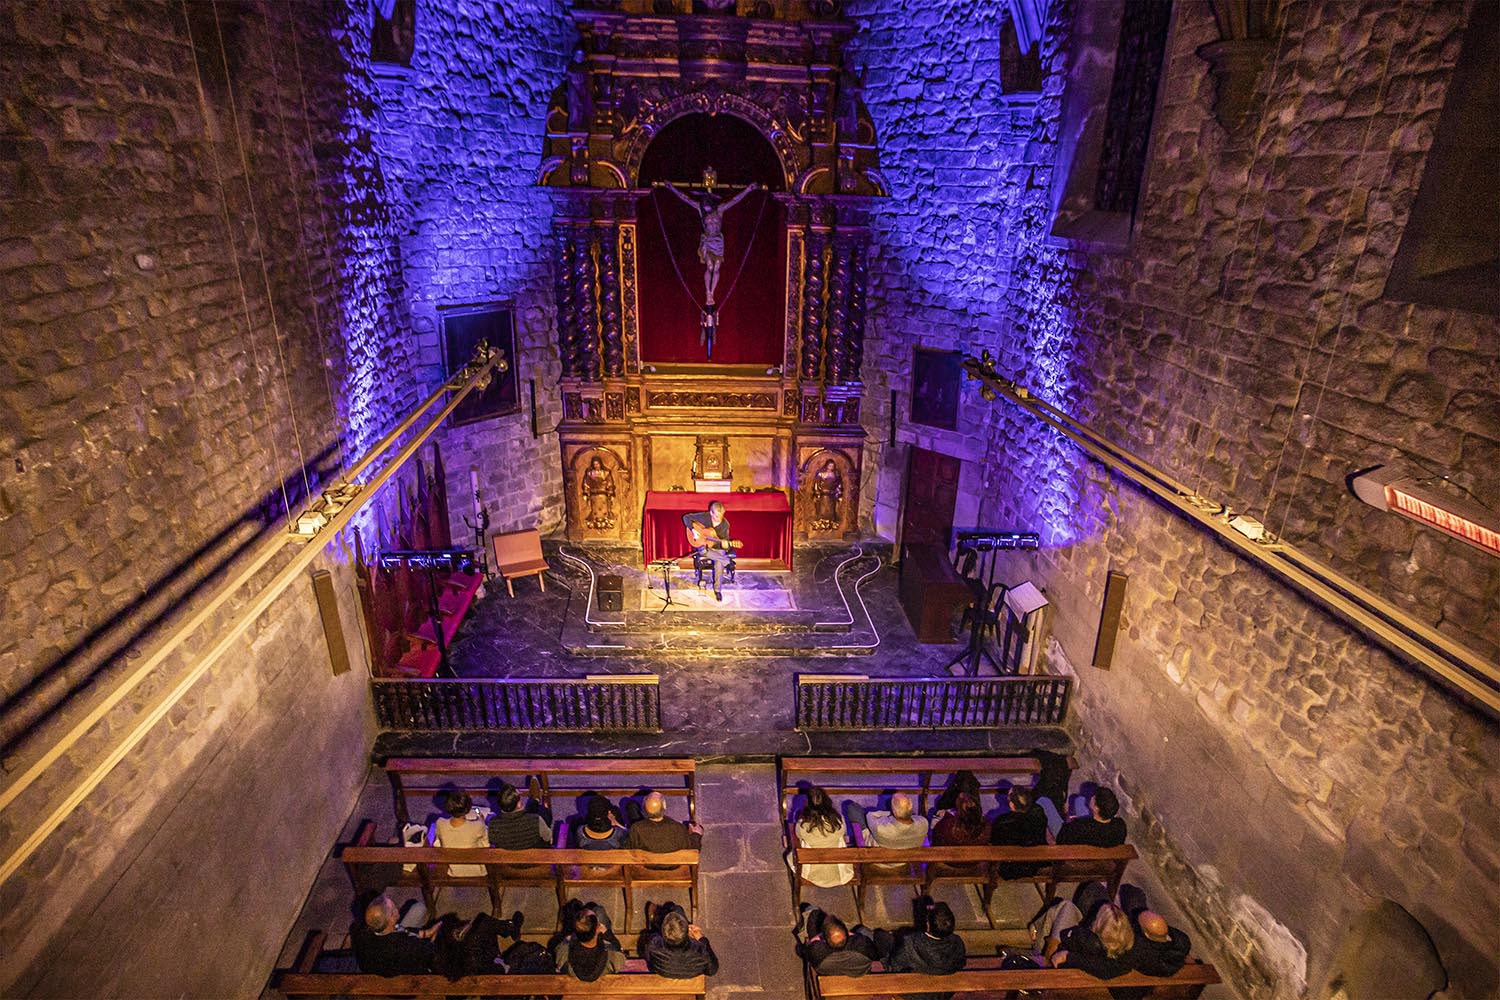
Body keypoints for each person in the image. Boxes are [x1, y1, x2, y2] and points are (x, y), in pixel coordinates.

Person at [661, 167, 761, 307]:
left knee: (717, 267)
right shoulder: (701, 210)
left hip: (718, 241)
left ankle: (712, 292)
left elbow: (735, 199)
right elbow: (685, 198)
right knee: (709, 266)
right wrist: (672, 188)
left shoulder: (720, 210)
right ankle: (708, 293)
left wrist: (748, 189)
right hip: (708, 239)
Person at [879, 898, 966, 985]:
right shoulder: (957, 942)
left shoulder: (910, 943)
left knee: (881, 937)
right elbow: (960, 964)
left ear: (928, 925)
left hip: (914, 991)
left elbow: (894, 965)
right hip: (943, 990)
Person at [351, 894, 439, 976]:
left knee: (418, 908)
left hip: (378, 966)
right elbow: (431, 952)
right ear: (392, 919)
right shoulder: (408, 946)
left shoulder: (357, 932)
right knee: (418, 908)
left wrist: (424, 933)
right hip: (404, 974)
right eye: (394, 907)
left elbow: (399, 930)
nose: (397, 907)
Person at [1052, 902, 1137, 980]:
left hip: (1061, 971)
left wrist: (1068, 956)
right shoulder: (1124, 956)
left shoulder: (1086, 943)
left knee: (1066, 907)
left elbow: (1064, 935)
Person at [790, 786, 854, 888]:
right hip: (839, 872)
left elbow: (798, 836)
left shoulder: (803, 825)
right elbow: (843, 832)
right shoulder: (838, 820)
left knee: (789, 854)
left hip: (812, 873)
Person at [846, 792, 929, 870]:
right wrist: (898, 812)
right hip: (904, 860)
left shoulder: (881, 828)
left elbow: (870, 815)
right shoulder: (924, 823)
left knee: (852, 808)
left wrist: (890, 813)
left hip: (877, 858)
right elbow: (915, 817)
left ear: (895, 812)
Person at [681, 500, 742, 600]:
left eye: (721, 516)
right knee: (705, 552)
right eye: (717, 516)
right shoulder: (704, 517)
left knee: (719, 563)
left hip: (717, 548)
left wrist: (726, 545)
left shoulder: (725, 524)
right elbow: (686, 518)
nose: (720, 519)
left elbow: (725, 544)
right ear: (711, 513)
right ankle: (727, 562)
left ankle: (717, 590)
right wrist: (693, 530)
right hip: (702, 545)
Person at [642, 902, 719, 978]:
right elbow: (712, 970)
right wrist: (701, 938)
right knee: (677, 909)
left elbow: (649, 961)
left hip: (663, 971)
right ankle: (669, 911)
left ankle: (655, 918)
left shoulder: (653, 945)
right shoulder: (701, 952)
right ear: (687, 932)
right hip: (689, 974)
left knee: (660, 922)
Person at [795, 906, 880, 976]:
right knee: (863, 930)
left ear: (824, 938)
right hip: (859, 972)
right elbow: (875, 954)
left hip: (828, 974)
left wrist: (812, 941)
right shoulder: (862, 944)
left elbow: (801, 951)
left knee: (809, 909)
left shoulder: (816, 950)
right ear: (847, 933)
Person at [554, 900, 626, 981]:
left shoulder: (563, 952)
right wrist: (608, 935)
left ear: (575, 933)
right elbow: (620, 955)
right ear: (597, 929)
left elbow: (560, 950)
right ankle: (589, 910)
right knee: (599, 910)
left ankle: (581, 911)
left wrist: (569, 938)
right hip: (603, 963)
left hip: (579, 941)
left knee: (574, 910)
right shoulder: (612, 956)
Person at [990, 786, 1049, 879]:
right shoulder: (1038, 818)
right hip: (1032, 863)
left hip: (1009, 867)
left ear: (1012, 805)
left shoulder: (1002, 821)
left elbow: (994, 842)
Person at [625, 790, 703, 860]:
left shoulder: (636, 828)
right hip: (674, 869)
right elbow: (693, 849)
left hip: (646, 868)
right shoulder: (678, 828)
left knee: (631, 806)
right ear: (664, 805)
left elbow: (628, 848)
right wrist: (696, 834)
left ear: (644, 809)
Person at [431, 789, 488, 876]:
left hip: (453, 870)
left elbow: (437, 843)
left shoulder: (440, 823)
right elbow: (486, 844)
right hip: (477, 869)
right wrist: (482, 822)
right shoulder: (478, 826)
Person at [487, 779, 553, 850]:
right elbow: (548, 837)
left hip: (507, 858)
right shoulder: (535, 820)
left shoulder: (493, 824)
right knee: (544, 813)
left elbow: (492, 841)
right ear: (518, 804)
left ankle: (535, 800)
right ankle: (536, 800)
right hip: (534, 856)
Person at [1056, 787, 1127, 848]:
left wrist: (1065, 816)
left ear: (1096, 808)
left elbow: (1060, 840)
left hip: (1078, 860)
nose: (1092, 797)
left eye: (1094, 797)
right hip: (1103, 860)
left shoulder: (1079, 827)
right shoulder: (1120, 826)